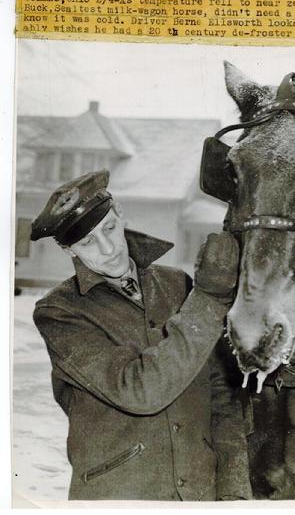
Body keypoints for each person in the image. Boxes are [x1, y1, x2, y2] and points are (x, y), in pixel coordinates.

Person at [31, 170, 252, 501]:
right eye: (87, 242)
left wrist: (234, 491)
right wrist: (208, 300)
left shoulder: (178, 286)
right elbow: (139, 391)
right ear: (70, 251)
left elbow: (221, 397)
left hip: (200, 493)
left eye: (108, 228)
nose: (107, 250)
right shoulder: (60, 313)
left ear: (120, 215)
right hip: (121, 496)